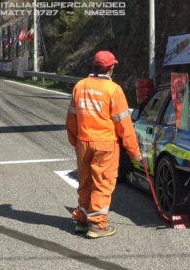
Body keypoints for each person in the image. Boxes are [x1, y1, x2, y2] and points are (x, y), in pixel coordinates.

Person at [66, 50, 141, 239]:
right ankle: (98, 225)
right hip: (106, 144)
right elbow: (125, 125)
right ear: (112, 67)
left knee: (86, 182)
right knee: (102, 184)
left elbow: (71, 118)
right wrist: (134, 151)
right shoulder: (113, 90)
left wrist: (75, 140)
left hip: (83, 142)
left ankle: (82, 220)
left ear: (94, 66)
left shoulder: (80, 86)